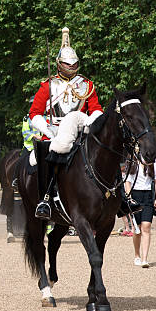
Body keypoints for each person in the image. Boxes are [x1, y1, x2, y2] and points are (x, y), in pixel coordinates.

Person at [29, 27, 105, 220]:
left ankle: (120, 199)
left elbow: (96, 109)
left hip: (81, 131)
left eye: (73, 64)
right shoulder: (48, 85)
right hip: (54, 131)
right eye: (66, 64)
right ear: (59, 64)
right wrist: (48, 129)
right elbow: (34, 113)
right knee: (45, 155)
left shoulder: (86, 85)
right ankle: (45, 199)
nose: (70, 67)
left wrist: (89, 122)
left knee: (106, 152)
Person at [125, 160, 156, 268]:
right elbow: (127, 181)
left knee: (146, 226)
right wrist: (129, 197)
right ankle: (137, 255)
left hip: (148, 195)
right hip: (135, 195)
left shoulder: (153, 161)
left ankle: (145, 259)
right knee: (137, 229)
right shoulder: (132, 161)